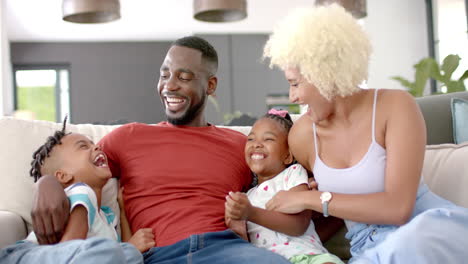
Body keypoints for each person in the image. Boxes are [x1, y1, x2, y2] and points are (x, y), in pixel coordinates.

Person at [29, 36, 291, 264]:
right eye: (164, 75)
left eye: (184, 77)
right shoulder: (129, 137)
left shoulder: (240, 145)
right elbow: (71, 164)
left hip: (226, 250)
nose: (170, 85)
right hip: (155, 256)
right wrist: (46, 184)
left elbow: (289, 188)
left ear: (211, 86)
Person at [262, 3, 468, 263]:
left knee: (414, 239)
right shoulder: (302, 135)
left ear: (324, 74)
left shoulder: (395, 106)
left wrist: (312, 198)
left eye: (295, 83)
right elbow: (315, 211)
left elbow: (398, 209)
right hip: (369, 248)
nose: (293, 96)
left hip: (428, 231)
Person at [0, 118, 149, 264]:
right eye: (83, 146)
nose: (97, 147)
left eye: (94, 144)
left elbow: (123, 253)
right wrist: (129, 249)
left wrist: (122, 210)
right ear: (63, 175)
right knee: (119, 251)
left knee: (130, 255)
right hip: (27, 255)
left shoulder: (108, 216)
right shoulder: (82, 192)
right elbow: (68, 247)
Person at [225, 109, 344, 264]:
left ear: (288, 156)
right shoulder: (247, 198)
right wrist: (236, 226)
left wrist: (251, 213)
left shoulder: (293, 175)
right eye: (251, 139)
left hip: (307, 257)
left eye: (268, 139)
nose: (257, 145)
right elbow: (245, 247)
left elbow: (298, 226)